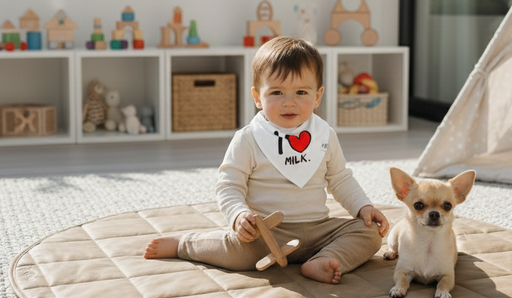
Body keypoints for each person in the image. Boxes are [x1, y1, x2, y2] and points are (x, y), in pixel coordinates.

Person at [145, 36, 389, 284]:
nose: (289, 102)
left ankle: (322, 260)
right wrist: (239, 215)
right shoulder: (249, 139)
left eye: (302, 92)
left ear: (318, 96)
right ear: (257, 97)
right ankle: (183, 245)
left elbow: (340, 179)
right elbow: (229, 185)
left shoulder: (324, 135)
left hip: (319, 230)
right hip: (268, 233)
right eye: (276, 92)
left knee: (369, 233)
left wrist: (363, 207)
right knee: (237, 253)